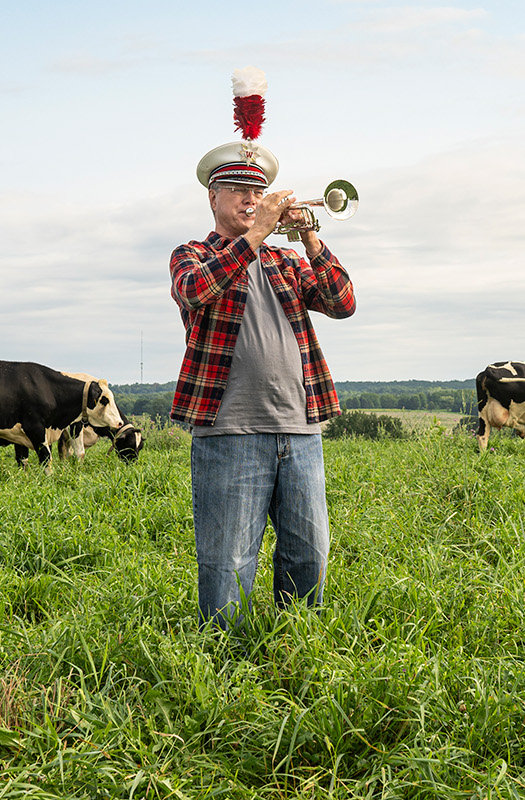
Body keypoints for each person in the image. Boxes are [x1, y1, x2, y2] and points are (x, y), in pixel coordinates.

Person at [168, 141, 356, 627]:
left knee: (308, 554)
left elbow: (342, 302)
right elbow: (195, 290)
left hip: (300, 429)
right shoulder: (192, 255)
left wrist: (310, 239)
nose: (250, 199)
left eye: (258, 190)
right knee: (227, 561)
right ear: (213, 197)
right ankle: (222, 658)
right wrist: (256, 235)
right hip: (229, 432)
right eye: (236, 189)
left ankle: (296, 644)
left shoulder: (286, 262)